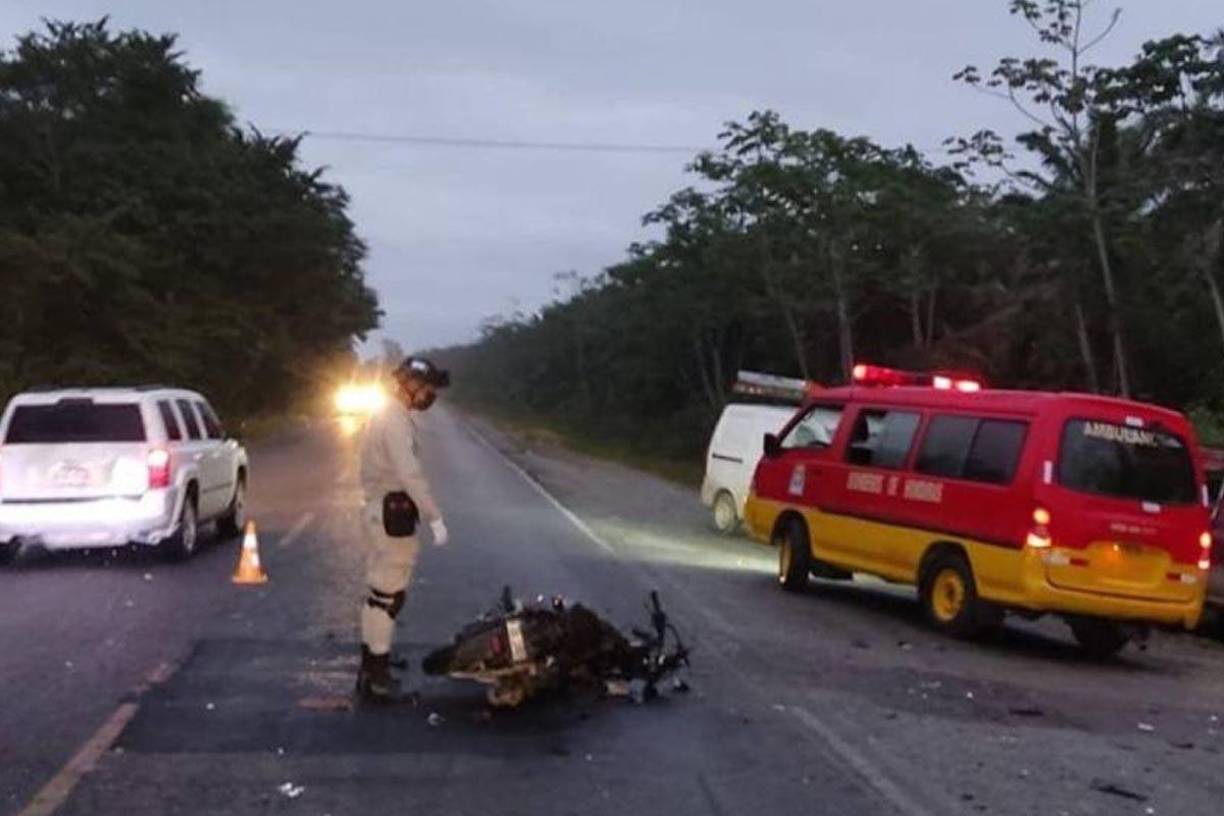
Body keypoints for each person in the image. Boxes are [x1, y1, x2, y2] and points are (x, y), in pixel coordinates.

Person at [355, 356, 451, 702]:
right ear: (410, 385)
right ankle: (377, 677)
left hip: (382, 510)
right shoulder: (393, 420)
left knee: (380, 593)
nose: (430, 395)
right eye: (427, 388)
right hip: (390, 511)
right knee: (387, 597)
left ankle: (372, 664)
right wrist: (434, 515)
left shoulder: (390, 415)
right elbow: (408, 473)